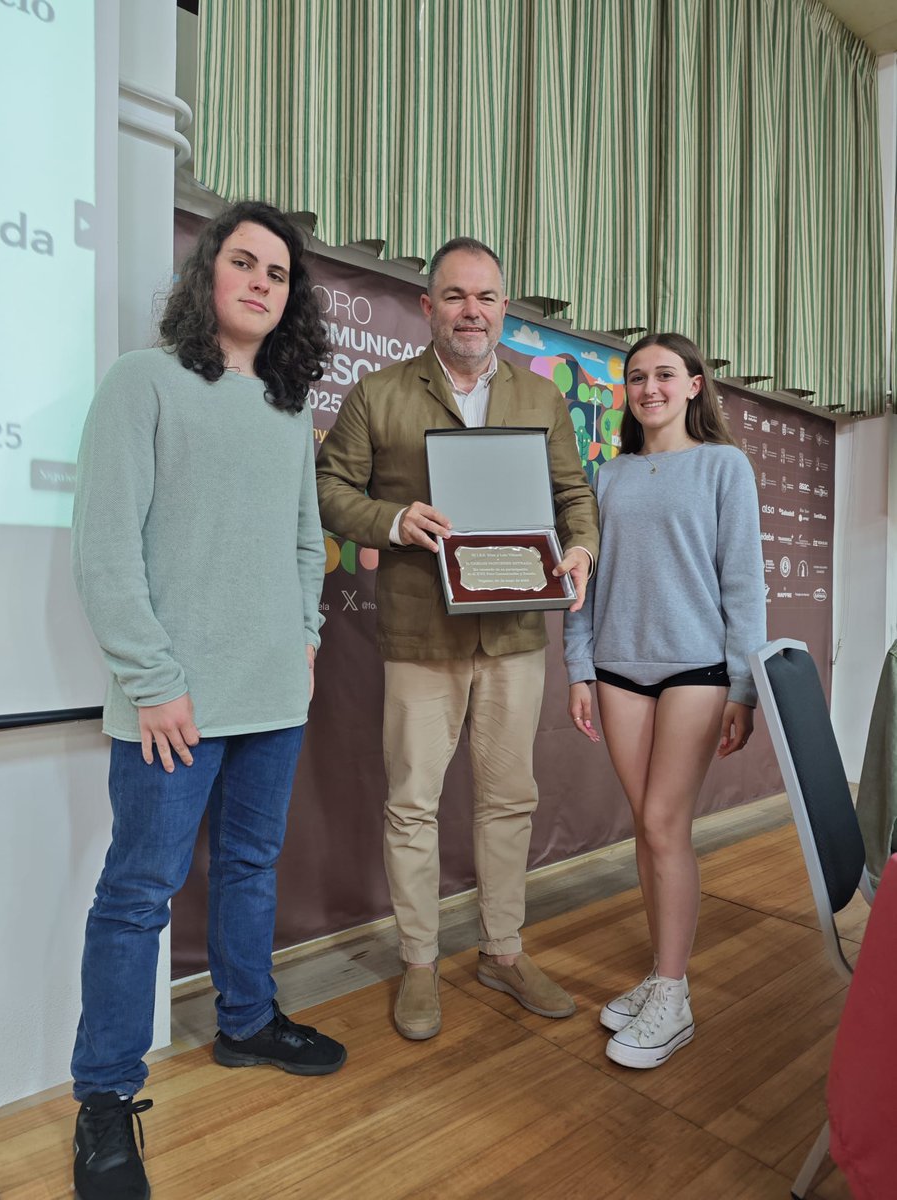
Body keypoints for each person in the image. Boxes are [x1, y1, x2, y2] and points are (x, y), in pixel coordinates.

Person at [70, 200, 346, 1200]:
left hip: (273, 697)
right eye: (246, 262)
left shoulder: (287, 408)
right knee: (138, 896)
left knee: (250, 867)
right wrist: (153, 680)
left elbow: (308, 544)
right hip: (172, 706)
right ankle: (103, 1100)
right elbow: (103, 552)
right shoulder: (141, 383)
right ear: (207, 276)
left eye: (279, 273)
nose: (263, 281)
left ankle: (245, 1021)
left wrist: (307, 640)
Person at [315, 237, 599, 1041]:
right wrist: (393, 519)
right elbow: (329, 488)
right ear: (427, 305)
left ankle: (503, 952)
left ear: (505, 308)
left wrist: (580, 549)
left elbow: (574, 494)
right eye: (455, 296)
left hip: (515, 632)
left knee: (510, 800)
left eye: (487, 297)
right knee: (412, 803)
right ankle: (418, 961)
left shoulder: (540, 399)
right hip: (419, 634)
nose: (472, 311)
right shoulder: (378, 393)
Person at [564, 332, 766, 1070]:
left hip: (697, 670)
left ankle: (674, 995)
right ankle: (659, 971)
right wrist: (578, 670)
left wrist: (745, 686)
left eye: (664, 375)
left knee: (662, 822)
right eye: (637, 377)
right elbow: (579, 583)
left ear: (694, 386)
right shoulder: (608, 475)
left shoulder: (724, 466)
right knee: (647, 833)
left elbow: (744, 584)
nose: (649, 387)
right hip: (617, 668)